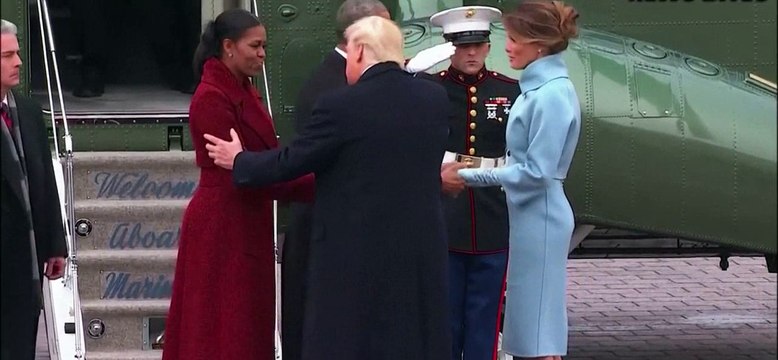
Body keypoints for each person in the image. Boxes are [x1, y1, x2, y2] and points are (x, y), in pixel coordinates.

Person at [205, 16, 452, 360]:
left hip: (354, 254)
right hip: (418, 251)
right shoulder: (434, 100)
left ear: (362, 51)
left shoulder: (341, 106)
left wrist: (240, 160)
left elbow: (292, 160)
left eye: (349, 53)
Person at [282, 1, 454, 358]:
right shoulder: (334, 91)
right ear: (359, 40)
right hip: (338, 234)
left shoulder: (363, 84)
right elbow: (304, 161)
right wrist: (240, 163)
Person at [161, 9, 314, 360]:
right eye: (255, 46)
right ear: (229, 47)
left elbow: (257, 161)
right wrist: (316, 182)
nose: (262, 54)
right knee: (224, 329)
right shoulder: (213, 97)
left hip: (243, 220)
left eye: (264, 46)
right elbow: (244, 172)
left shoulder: (238, 88)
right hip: (224, 227)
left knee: (241, 325)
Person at [457, 1, 581, 359]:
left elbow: (536, 173)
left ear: (537, 44)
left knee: (540, 330)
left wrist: (468, 175)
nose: (506, 47)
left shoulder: (551, 95)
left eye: (513, 39)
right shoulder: (542, 91)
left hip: (540, 216)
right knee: (533, 325)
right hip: (531, 216)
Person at [425, 6, 520, 360]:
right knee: (446, 317)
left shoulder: (510, 90)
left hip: (493, 212)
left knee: (485, 317)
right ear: (449, 47)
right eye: (462, 45)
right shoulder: (429, 90)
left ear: (488, 45)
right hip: (445, 213)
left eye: (478, 44)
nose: (470, 53)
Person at [1, 19, 68, 360]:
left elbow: (44, 183)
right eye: (8, 55)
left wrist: (55, 243)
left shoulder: (27, 111)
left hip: (26, 265)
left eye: (17, 53)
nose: (19, 62)